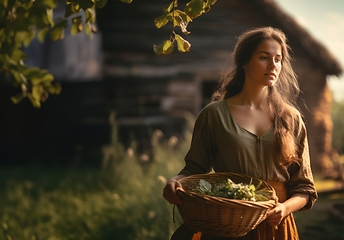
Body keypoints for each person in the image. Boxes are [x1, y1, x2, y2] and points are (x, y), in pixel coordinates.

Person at [162, 26, 318, 240]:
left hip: (276, 228)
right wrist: (175, 182)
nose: (273, 65)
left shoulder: (292, 119)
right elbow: (194, 169)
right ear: (245, 62)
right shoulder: (214, 114)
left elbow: (304, 189)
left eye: (278, 59)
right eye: (264, 57)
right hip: (226, 226)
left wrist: (284, 209)